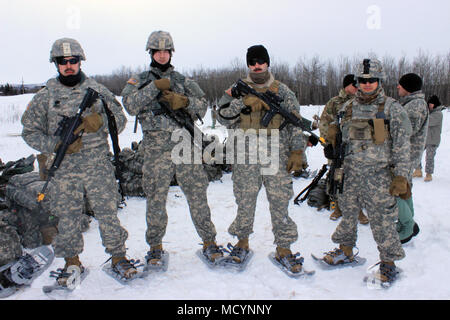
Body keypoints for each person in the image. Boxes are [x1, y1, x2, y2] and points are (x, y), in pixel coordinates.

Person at [21, 38, 138, 286]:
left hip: (97, 165)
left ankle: (118, 257)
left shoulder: (97, 90)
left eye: (73, 61)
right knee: (67, 217)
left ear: (80, 61)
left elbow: (121, 120)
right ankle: (72, 262)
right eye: (63, 62)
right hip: (64, 169)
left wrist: (99, 121)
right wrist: (55, 145)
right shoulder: (46, 95)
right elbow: (29, 132)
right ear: (56, 64)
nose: (69, 66)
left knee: (108, 213)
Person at [121, 31, 222, 267]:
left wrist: (184, 101)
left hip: (185, 146)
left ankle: (209, 242)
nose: (163, 55)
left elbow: (202, 106)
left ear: (171, 53)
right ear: (151, 53)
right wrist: (153, 88)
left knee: (197, 195)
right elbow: (129, 106)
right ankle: (155, 248)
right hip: (156, 151)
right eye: (158, 51)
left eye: (166, 51)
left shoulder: (183, 81)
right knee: (155, 199)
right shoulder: (139, 80)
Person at [320, 58, 412, 284]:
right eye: (363, 80)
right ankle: (345, 250)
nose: (368, 84)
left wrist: (401, 176)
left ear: (379, 81)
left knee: (382, 222)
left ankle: (388, 263)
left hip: (379, 177)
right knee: (347, 215)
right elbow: (339, 139)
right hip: (350, 174)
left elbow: (402, 146)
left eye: (372, 80)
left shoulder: (392, 108)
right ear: (358, 82)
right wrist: (332, 138)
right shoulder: (347, 107)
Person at [216, 45, 306, 273]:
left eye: (261, 61)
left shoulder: (282, 91)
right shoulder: (237, 90)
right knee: (244, 200)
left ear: (267, 63)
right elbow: (221, 117)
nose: (257, 66)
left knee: (280, 200)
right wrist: (242, 104)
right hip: (245, 155)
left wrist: (297, 151)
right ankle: (242, 242)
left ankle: (284, 248)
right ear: (248, 65)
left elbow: (295, 122)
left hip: (275, 154)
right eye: (253, 62)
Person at [319, 74, 369, 224]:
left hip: (356, 148)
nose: (357, 88)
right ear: (346, 86)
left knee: (357, 179)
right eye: (354, 85)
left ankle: (358, 210)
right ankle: (337, 207)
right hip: (337, 147)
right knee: (337, 177)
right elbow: (324, 124)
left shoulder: (362, 102)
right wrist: (327, 145)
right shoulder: (334, 102)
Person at [395, 73, 428, 243]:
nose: (398, 87)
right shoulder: (412, 104)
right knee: (404, 189)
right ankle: (409, 223)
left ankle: (407, 226)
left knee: (393, 190)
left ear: (407, 87)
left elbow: (407, 131)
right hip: (407, 155)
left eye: (400, 85)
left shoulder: (414, 106)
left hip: (405, 155)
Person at [413, 95, 444, 182]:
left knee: (429, 158)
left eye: (431, 104)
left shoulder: (438, 114)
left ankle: (428, 174)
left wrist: (421, 115)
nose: (429, 105)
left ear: (435, 104)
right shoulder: (429, 113)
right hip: (425, 139)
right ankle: (418, 170)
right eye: (429, 103)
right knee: (417, 154)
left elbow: (428, 121)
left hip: (433, 140)